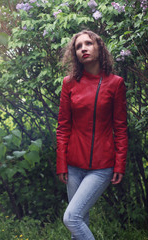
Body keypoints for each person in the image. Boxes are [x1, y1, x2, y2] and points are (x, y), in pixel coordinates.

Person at [56, 30, 128, 240]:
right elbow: (63, 126)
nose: (83, 48)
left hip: (102, 166)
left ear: (99, 48)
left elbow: (121, 127)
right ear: (75, 54)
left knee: (71, 218)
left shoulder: (115, 83)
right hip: (73, 165)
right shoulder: (69, 83)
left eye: (88, 44)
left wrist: (119, 164)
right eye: (78, 46)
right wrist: (61, 163)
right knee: (79, 223)